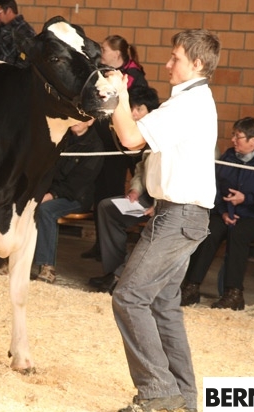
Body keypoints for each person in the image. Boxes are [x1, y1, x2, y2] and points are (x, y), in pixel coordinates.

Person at [105, 29, 221, 412]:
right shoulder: (191, 101)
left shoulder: (187, 105)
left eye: (176, 58)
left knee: (128, 296)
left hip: (179, 216)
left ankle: (157, 390)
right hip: (182, 214)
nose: (168, 64)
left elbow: (130, 137)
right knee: (162, 305)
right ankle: (184, 396)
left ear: (197, 63)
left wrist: (120, 94)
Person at [181, 117, 254, 310]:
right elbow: (215, 188)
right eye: (233, 135)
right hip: (230, 212)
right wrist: (223, 211)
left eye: (238, 136)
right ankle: (191, 287)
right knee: (210, 230)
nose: (233, 140)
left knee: (238, 233)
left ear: (253, 140)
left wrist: (246, 199)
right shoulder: (229, 157)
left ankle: (233, 293)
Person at [87, 85, 160, 293]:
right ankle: (112, 272)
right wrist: (135, 190)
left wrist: (158, 205)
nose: (134, 114)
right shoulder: (145, 136)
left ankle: (122, 275)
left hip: (166, 201)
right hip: (147, 196)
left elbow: (172, 178)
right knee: (107, 207)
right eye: (132, 109)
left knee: (157, 226)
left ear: (151, 111)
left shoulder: (161, 133)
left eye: (139, 109)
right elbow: (141, 170)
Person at [82, 35, 149, 261]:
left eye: (104, 49)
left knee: (112, 191)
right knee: (99, 191)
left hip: (122, 146)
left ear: (117, 54)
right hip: (104, 143)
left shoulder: (135, 78)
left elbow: (133, 110)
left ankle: (112, 248)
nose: (101, 51)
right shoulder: (104, 74)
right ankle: (100, 244)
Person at [33, 120, 104, 284]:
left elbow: (79, 183)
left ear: (90, 121)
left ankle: (47, 268)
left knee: (46, 210)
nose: (76, 121)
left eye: (81, 118)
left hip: (77, 197)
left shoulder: (95, 146)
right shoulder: (62, 137)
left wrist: (50, 195)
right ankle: (11, 261)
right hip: (51, 191)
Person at [0, 0, 35, 68]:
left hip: (9, 73)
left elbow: (25, 62)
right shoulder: (2, 28)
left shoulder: (25, 31)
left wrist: (11, 74)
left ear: (9, 11)